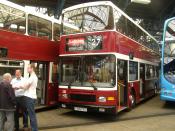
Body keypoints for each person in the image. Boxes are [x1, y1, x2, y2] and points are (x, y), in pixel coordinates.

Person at [20, 64, 38, 131]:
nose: (27, 69)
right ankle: (34, 129)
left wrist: (18, 87)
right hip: (30, 97)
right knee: (31, 114)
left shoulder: (32, 77)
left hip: (30, 97)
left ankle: (35, 129)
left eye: (28, 68)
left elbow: (25, 87)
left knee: (31, 115)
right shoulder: (33, 77)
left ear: (32, 69)